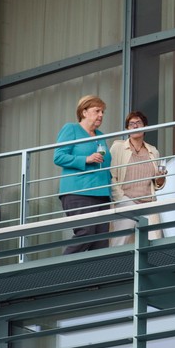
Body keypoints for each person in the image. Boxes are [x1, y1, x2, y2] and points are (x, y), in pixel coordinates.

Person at [54, 95, 113, 254]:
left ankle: (95, 278)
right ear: (84, 112)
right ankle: (59, 271)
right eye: (97, 111)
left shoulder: (100, 135)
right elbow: (58, 157)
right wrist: (86, 159)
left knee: (101, 242)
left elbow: (106, 164)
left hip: (101, 193)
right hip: (78, 191)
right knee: (85, 233)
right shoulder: (71, 129)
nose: (101, 115)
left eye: (102, 112)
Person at [108, 111, 166, 246]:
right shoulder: (118, 147)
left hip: (148, 202)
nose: (135, 126)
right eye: (131, 124)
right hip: (126, 200)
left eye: (138, 123)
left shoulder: (153, 151)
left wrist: (161, 179)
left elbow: (157, 183)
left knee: (153, 242)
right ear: (127, 129)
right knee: (120, 243)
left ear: (145, 126)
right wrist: (121, 198)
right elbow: (111, 176)